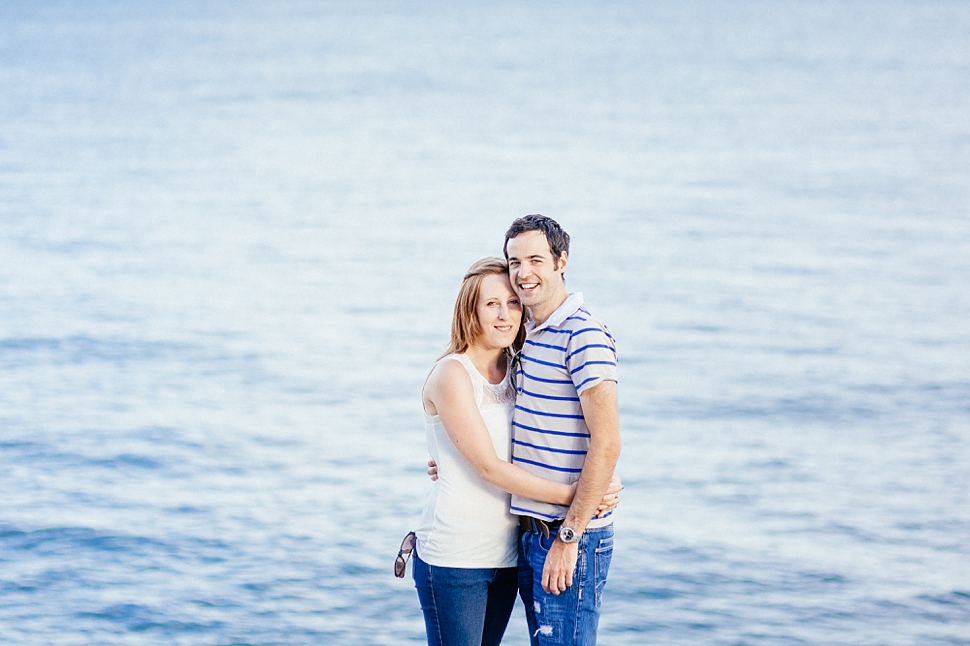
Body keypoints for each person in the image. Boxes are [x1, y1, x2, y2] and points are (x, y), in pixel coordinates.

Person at [405, 257, 620, 646]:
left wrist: (604, 478)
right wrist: (582, 496)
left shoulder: (517, 367)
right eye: (492, 304)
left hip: (507, 554)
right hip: (456, 557)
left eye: (514, 303)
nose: (505, 315)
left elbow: (547, 436)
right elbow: (488, 467)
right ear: (470, 309)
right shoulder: (452, 373)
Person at [505, 214, 621, 646]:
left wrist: (569, 537)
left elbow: (607, 443)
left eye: (536, 259)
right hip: (529, 531)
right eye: (515, 262)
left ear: (561, 261)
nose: (523, 273)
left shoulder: (583, 335)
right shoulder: (528, 333)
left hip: (569, 536)